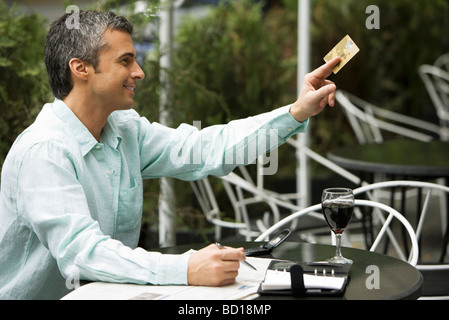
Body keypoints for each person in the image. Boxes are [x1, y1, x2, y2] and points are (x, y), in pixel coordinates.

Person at [0, 11, 340, 300]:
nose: (139, 72)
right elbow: (83, 253)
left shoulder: (124, 129)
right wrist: (187, 268)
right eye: (125, 61)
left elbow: (206, 149)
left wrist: (296, 112)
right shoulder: (44, 152)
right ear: (80, 68)